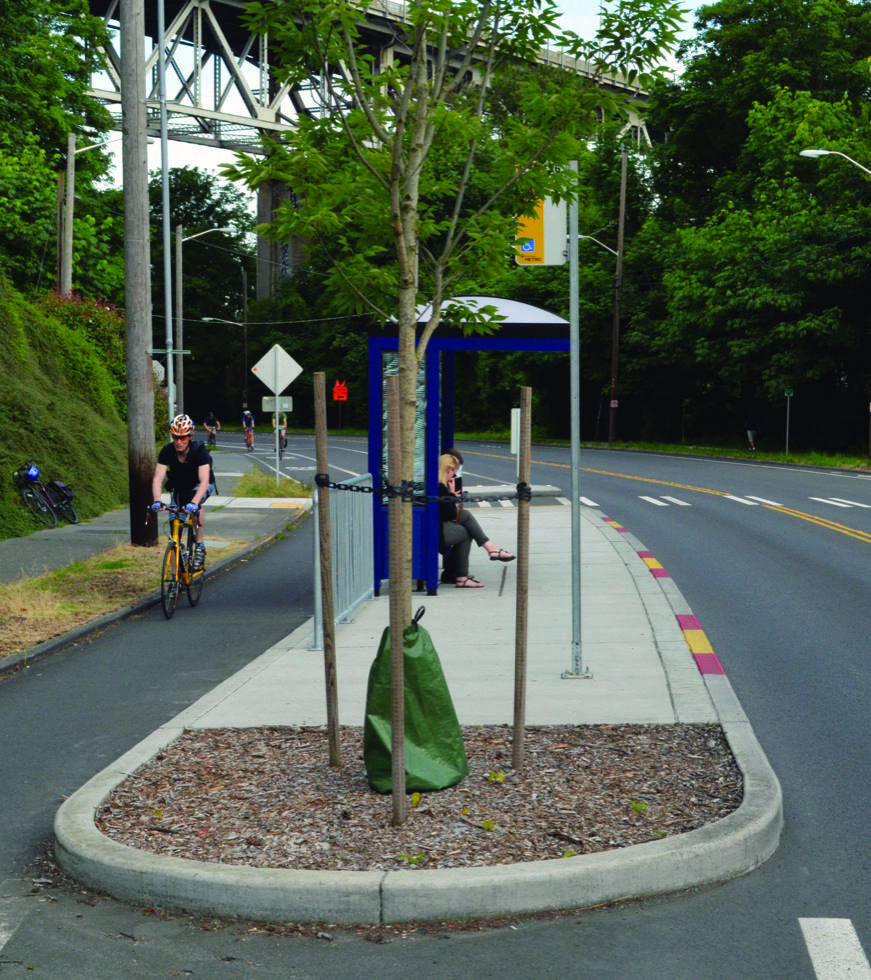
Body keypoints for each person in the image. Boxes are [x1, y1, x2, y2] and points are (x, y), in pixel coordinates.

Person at [438, 452, 514, 588]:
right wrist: (452, 494)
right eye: (454, 472)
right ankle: (489, 550)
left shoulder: (435, 485)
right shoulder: (440, 487)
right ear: (449, 470)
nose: (453, 475)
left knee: (465, 522)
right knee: (466, 531)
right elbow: (449, 513)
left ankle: (489, 551)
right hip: (436, 531)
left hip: (432, 527)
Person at [151, 414, 211, 569]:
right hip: (179, 487)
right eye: (175, 437)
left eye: (183, 438)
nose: (179, 441)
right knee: (174, 535)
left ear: (190, 436)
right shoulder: (167, 451)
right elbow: (157, 478)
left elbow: (204, 481)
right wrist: (157, 501)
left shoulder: (199, 451)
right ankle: (173, 581)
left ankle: (199, 545)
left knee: (194, 505)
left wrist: (194, 503)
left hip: (199, 486)